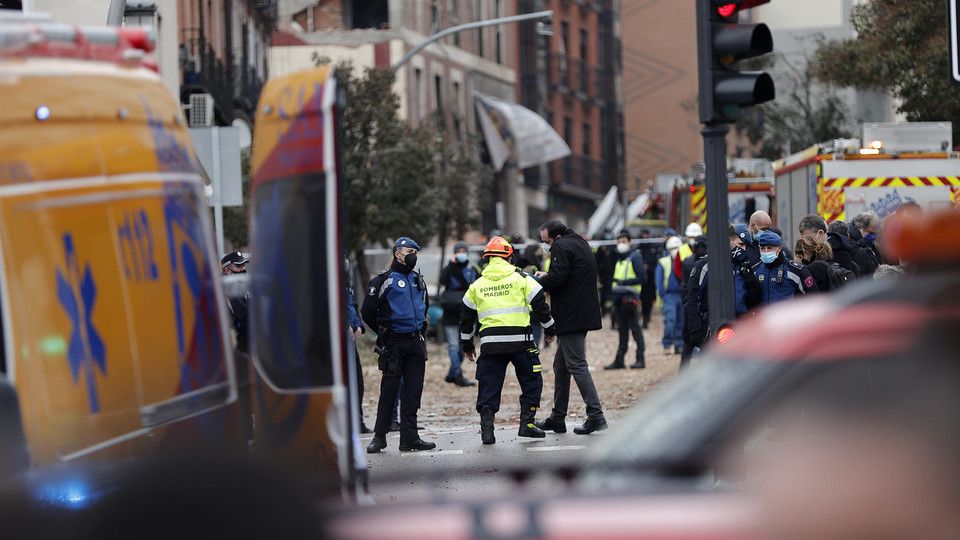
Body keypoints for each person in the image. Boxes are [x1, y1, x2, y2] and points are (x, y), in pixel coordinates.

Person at [460, 237, 557, 445]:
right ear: (509, 256)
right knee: (532, 381)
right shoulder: (522, 278)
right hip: (521, 342)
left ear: (487, 259)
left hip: (490, 345)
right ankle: (527, 425)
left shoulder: (477, 285)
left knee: (488, 386)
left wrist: (467, 346)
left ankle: (487, 431)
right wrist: (550, 329)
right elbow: (540, 304)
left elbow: (466, 320)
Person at [362, 237, 435, 453]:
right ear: (397, 253)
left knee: (413, 392)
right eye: (409, 251)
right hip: (394, 343)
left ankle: (410, 438)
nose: (413, 255)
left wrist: (421, 331)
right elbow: (367, 311)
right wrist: (384, 331)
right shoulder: (383, 280)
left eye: (415, 251)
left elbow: (424, 307)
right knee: (389, 391)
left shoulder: (417, 279)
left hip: (415, 343)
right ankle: (379, 436)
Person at [533, 220, 608, 435]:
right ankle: (558, 417)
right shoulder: (578, 243)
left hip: (571, 315)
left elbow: (558, 279)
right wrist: (547, 276)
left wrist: (534, 281)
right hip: (580, 312)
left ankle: (596, 415)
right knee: (560, 366)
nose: (545, 245)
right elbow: (568, 275)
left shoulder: (561, 247)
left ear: (555, 237)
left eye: (546, 241)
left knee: (576, 365)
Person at [682, 227, 761, 368]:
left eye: (744, 246)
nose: (742, 249)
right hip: (712, 328)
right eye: (739, 245)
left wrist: (746, 269)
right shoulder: (705, 265)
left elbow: (755, 297)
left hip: (740, 326)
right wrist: (695, 331)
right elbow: (692, 299)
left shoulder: (744, 265)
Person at [438, 241, 478, 387]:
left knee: (462, 347)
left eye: (463, 251)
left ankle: (453, 374)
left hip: (466, 314)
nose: (461, 254)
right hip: (450, 314)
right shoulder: (449, 268)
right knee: (453, 346)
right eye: (458, 251)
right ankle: (456, 373)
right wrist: (451, 265)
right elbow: (443, 280)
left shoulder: (472, 269)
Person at [605, 231, 646, 370]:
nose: (621, 244)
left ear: (630, 242)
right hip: (618, 298)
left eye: (624, 241)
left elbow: (642, 278)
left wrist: (624, 282)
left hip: (630, 299)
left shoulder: (635, 257)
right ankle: (619, 360)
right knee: (622, 330)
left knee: (635, 330)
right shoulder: (619, 258)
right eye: (619, 241)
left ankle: (640, 359)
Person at [752, 231, 818, 305]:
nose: (765, 251)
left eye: (769, 248)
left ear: (779, 248)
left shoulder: (796, 270)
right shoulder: (755, 270)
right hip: (764, 316)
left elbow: (813, 298)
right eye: (762, 248)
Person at [344, 257, 371, 434]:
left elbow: (351, 306)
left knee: (357, 381)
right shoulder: (326, 284)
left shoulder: (345, 285)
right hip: (335, 340)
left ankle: (357, 420)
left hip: (350, 340)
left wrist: (358, 326)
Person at [655, 236, 685, 355]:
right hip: (669, 296)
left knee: (681, 322)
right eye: (672, 248)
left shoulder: (684, 260)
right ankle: (667, 344)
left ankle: (679, 345)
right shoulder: (663, 262)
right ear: (668, 249)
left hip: (681, 295)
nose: (675, 250)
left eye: (677, 248)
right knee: (670, 321)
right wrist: (663, 294)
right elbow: (658, 280)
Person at [518, 243, 548, 347]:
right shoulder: (532, 268)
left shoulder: (519, 266)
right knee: (533, 343)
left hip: (524, 308)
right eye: (538, 253)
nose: (540, 255)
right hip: (532, 308)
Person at [221, 251, 250, 353]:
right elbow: (246, 318)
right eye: (238, 266)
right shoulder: (228, 291)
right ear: (226, 270)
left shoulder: (241, 286)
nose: (243, 269)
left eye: (243, 265)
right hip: (242, 350)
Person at [637, 229, 659, 329]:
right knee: (643, 299)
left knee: (650, 299)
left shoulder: (653, 248)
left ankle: (647, 316)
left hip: (651, 278)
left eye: (647, 234)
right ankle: (644, 317)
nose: (645, 236)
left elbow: (656, 263)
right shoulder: (639, 248)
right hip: (641, 279)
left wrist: (649, 267)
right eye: (643, 234)